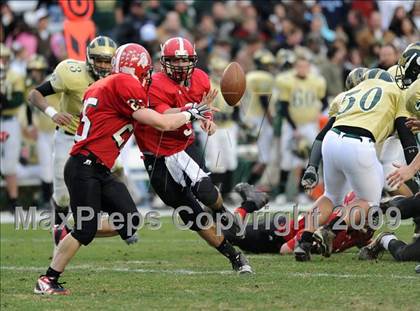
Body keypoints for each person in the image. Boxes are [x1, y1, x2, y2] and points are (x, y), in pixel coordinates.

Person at [34, 43, 212, 295]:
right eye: (146, 70)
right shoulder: (124, 83)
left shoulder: (102, 84)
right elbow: (161, 123)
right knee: (85, 229)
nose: (148, 76)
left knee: (130, 220)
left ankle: (69, 230)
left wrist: (186, 111)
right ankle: (48, 279)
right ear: (139, 68)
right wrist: (191, 113)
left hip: (97, 167)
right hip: (85, 165)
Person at [134, 37, 252, 274]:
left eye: (184, 60)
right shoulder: (155, 83)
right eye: (174, 60)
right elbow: (165, 117)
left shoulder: (200, 78)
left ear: (193, 60)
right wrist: (194, 111)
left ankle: (222, 214)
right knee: (191, 214)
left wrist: (207, 121)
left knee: (206, 191)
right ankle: (233, 255)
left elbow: (204, 108)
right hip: (156, 154)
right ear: (164, 62)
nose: (179, 64)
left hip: (183, 145)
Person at [296, 65, 418, 261]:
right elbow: (406, 137)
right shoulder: (395, 91)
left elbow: (322, 133)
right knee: (368, 201)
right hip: (359, 143)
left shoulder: (351, 92)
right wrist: (413, 167)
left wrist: (312, 165)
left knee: (330, 196)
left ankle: (304, 241)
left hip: (331, 141)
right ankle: (331, 229)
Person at [28, 36, 117, 229]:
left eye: (107, 61)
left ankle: (123, 218)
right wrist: (53, 113)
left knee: (117, 173)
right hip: (69, 137)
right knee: (62, 197)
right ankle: (59, 232)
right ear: (89, 59)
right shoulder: (71, 72)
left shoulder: (118, 78)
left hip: (98, 139)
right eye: (99, 60)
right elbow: (34, 94)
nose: (103, 65)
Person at [227, 185, 373, 257]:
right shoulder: (327, 225)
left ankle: (248, 204)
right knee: (230, 231)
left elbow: (369, 244)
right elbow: (285, 249)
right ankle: (250, 204)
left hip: (284, 231)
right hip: (277, 234)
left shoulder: (360, 233)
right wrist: (311, 247)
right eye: (363, 216)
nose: (366, 222)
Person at [275, 54, 326, 204]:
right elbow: (283, 108)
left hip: (310, 125)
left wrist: (316, 115)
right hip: (291, 125)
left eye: (305, 66)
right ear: (295, 67)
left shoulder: (316, 81)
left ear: (309, 68)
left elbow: (323, 102)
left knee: (308, 160)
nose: (302, 69)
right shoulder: (287, 81)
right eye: (299, 66)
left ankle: (302, 193)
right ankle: (281, 193)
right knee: (286, 160)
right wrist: (294, 127)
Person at [24, 54, 60, 207]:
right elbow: (28, 108)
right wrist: (31, 125)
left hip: (59, 130)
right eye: (32, 70)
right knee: (45, 165)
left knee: (61, 164)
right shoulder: (29, 87)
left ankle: (63, 199)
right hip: (43, 132)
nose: (35, 73)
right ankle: (47, 199)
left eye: (37, 70)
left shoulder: (52, 84)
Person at [242, 49, 275, 186]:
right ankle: (246, 186)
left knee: (255, 156)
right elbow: (263, 100)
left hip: (248, 118)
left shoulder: (249, 75)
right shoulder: (263, 77)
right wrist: (270, 119)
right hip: (259, 118)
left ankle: (245, 185)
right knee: (264, 157)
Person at [0, 43, 25, 212]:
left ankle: (13, 200)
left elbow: (18, 99)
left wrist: (3, 100)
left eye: (4, 58)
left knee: (10, 163)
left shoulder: (15, 76)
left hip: (10, 121)